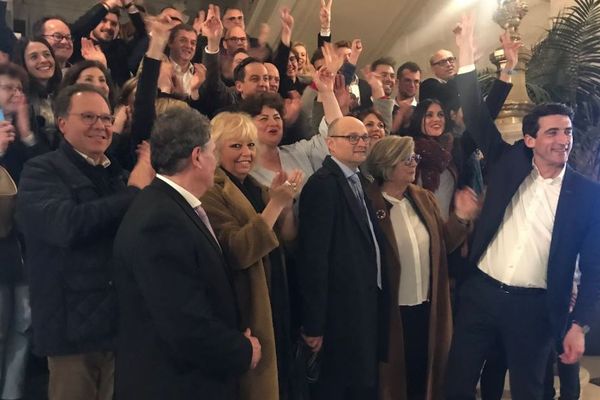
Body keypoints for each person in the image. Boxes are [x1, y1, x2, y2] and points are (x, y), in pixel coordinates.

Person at [445, 13, 600, 400]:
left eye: (566, 132)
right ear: (529, 140)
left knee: (532, 391)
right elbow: (478, 118)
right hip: (481, 293)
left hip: (534, 309)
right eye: (552, 132)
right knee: (458, 384)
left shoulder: (586, 194)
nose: (563, 140)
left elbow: (596, 265)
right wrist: (466, 53)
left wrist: (580, 325)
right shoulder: (509, 161)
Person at [15, 84, 153, 400]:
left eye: (105, 118)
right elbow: (67, 225)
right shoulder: (42, 170)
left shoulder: (114, 173)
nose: (101, 126)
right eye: (88, 116)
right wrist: (133, 195)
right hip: (69, 330)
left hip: (116, 325)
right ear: (62, 123)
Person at [113, 107, 260, 400]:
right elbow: (183, 323)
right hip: (176, 383)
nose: (215, 161)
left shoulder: (167, 206)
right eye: (213, 152)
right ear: (197, 156)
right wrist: (241, 351)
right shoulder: (160, 221)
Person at [364, 136, 478, 400]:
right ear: (386, 164)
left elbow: (443, 245)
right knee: (392, 380)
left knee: (423, 373)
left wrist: (460, 217)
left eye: (414, 157)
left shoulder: (423, 198)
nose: (413, 163)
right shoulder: (370, 205)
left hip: (427, 306)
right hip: (391, 311)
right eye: (406, 158)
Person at [201, 112, 302, 400]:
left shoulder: (255, 187)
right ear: (216, 149)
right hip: (246, 308)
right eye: (236, 146)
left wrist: (285, 207)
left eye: (250, 145)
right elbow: (238, 251)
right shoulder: (212, 191)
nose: (246, 153)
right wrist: (275, 206)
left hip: (276, 299)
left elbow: (288, 241)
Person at [298, 116, 388, 400]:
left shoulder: (359, 179)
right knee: (339, 387)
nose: (361, 142)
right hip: (338, 311)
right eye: (352, 138)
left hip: (362, 302)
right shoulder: (322, 184)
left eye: (364, 137)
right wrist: (313, 323)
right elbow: (313, 258)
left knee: (361, 383)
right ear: (331, 144)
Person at [12, 37, 62, 150]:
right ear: (23, 64)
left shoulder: (64, 94)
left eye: (47, 54)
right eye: (34, 57)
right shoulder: (16, 100)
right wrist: (27, 135)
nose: (44, 60)